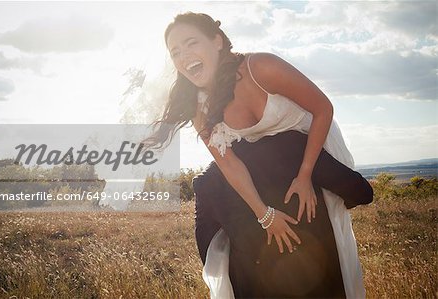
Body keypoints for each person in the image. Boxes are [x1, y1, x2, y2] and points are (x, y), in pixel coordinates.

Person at [142, 11, 372, 298]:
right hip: (265, 165)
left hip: (309, 148)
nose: (184, 56)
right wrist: (264, 215)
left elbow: (323, 108)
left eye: (191, 43)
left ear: (217, 41)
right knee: (210, 188)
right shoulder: (198, 106)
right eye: (175, 51)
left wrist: (305, 174)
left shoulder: (260, 67)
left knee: (328, 207)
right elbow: (228, 162)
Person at [193, 130, 373, 298]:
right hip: (320, 283)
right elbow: (361, 193)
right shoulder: (295, 146)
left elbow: (208, 253)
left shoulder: (208, 179)